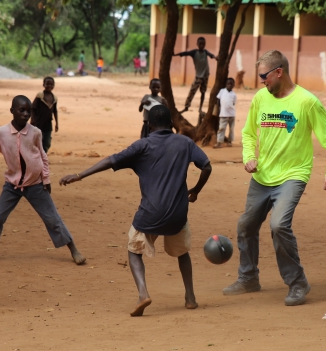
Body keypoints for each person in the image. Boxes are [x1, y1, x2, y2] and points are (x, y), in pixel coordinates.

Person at [60, 105, 212, 317]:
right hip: (178, 214)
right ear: (171, 124)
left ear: (149, 125)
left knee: (133, 250)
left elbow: (110, 160)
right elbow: (207, 166)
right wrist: (195, 190)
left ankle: (143, 294)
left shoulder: (142, 146)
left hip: (150, 214)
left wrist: (80, 175)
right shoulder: (184, 142)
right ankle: (190, 298)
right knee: (182, 252)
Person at [223, 50, 326, 306]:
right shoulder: (260, 98)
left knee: (279, 225)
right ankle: (248, 278)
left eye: (264, 76)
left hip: (293, 175)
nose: (261, 81)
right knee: (246, 225)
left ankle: (298, 282)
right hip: (262, 175)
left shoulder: (306, 102)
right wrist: (248, 158)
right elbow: (247, 133)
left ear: (279, 72)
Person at [0, 95, 86, 265]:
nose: (25, 114)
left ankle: (74, 250)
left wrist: (46, 179)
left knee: (52, 218)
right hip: (12, 185)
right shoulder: (1, 133)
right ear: (12, 111)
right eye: (21, 110)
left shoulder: (35, 132)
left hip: (35, 183)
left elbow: (42, 157)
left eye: (28, 111)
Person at [174, 37, 217, 113]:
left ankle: (200, 108)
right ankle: (186, 107)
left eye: (203, 44)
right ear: (197, 44)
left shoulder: (205, 52)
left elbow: (212, 55)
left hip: (205, 76)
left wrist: (216, 57)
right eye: (200, 44)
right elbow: (185, 53)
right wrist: (174, 55)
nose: (202, 45)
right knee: (192, 91)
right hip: (198, 77)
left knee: (203, 92)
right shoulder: (194, 52)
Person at [30, 77, 59, 153]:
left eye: (51, 84)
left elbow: (55, 111)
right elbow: (33, 108)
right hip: (38, 122)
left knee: (47, 142)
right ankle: (38, 156)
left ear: (54, 86)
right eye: (47, 84)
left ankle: (43, 155)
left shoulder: (54, 98)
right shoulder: (40, 96)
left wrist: (56, 123)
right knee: (37, 140)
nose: (49, 86)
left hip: (48, 124)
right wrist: (32, 120)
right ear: (43, 85)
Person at [214, 77, 237, 149]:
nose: (229, 85)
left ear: (233, 85)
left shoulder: (234, 95)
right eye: (228, 84)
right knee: (221, 128)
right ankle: (219, 142)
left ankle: (230, 141)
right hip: (223, 114)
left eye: (231, 84)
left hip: (232, 115)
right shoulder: (222, 91)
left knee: (231, 129)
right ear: (226, 84)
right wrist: (217, 109)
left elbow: (233, 103)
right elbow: (218, 100)